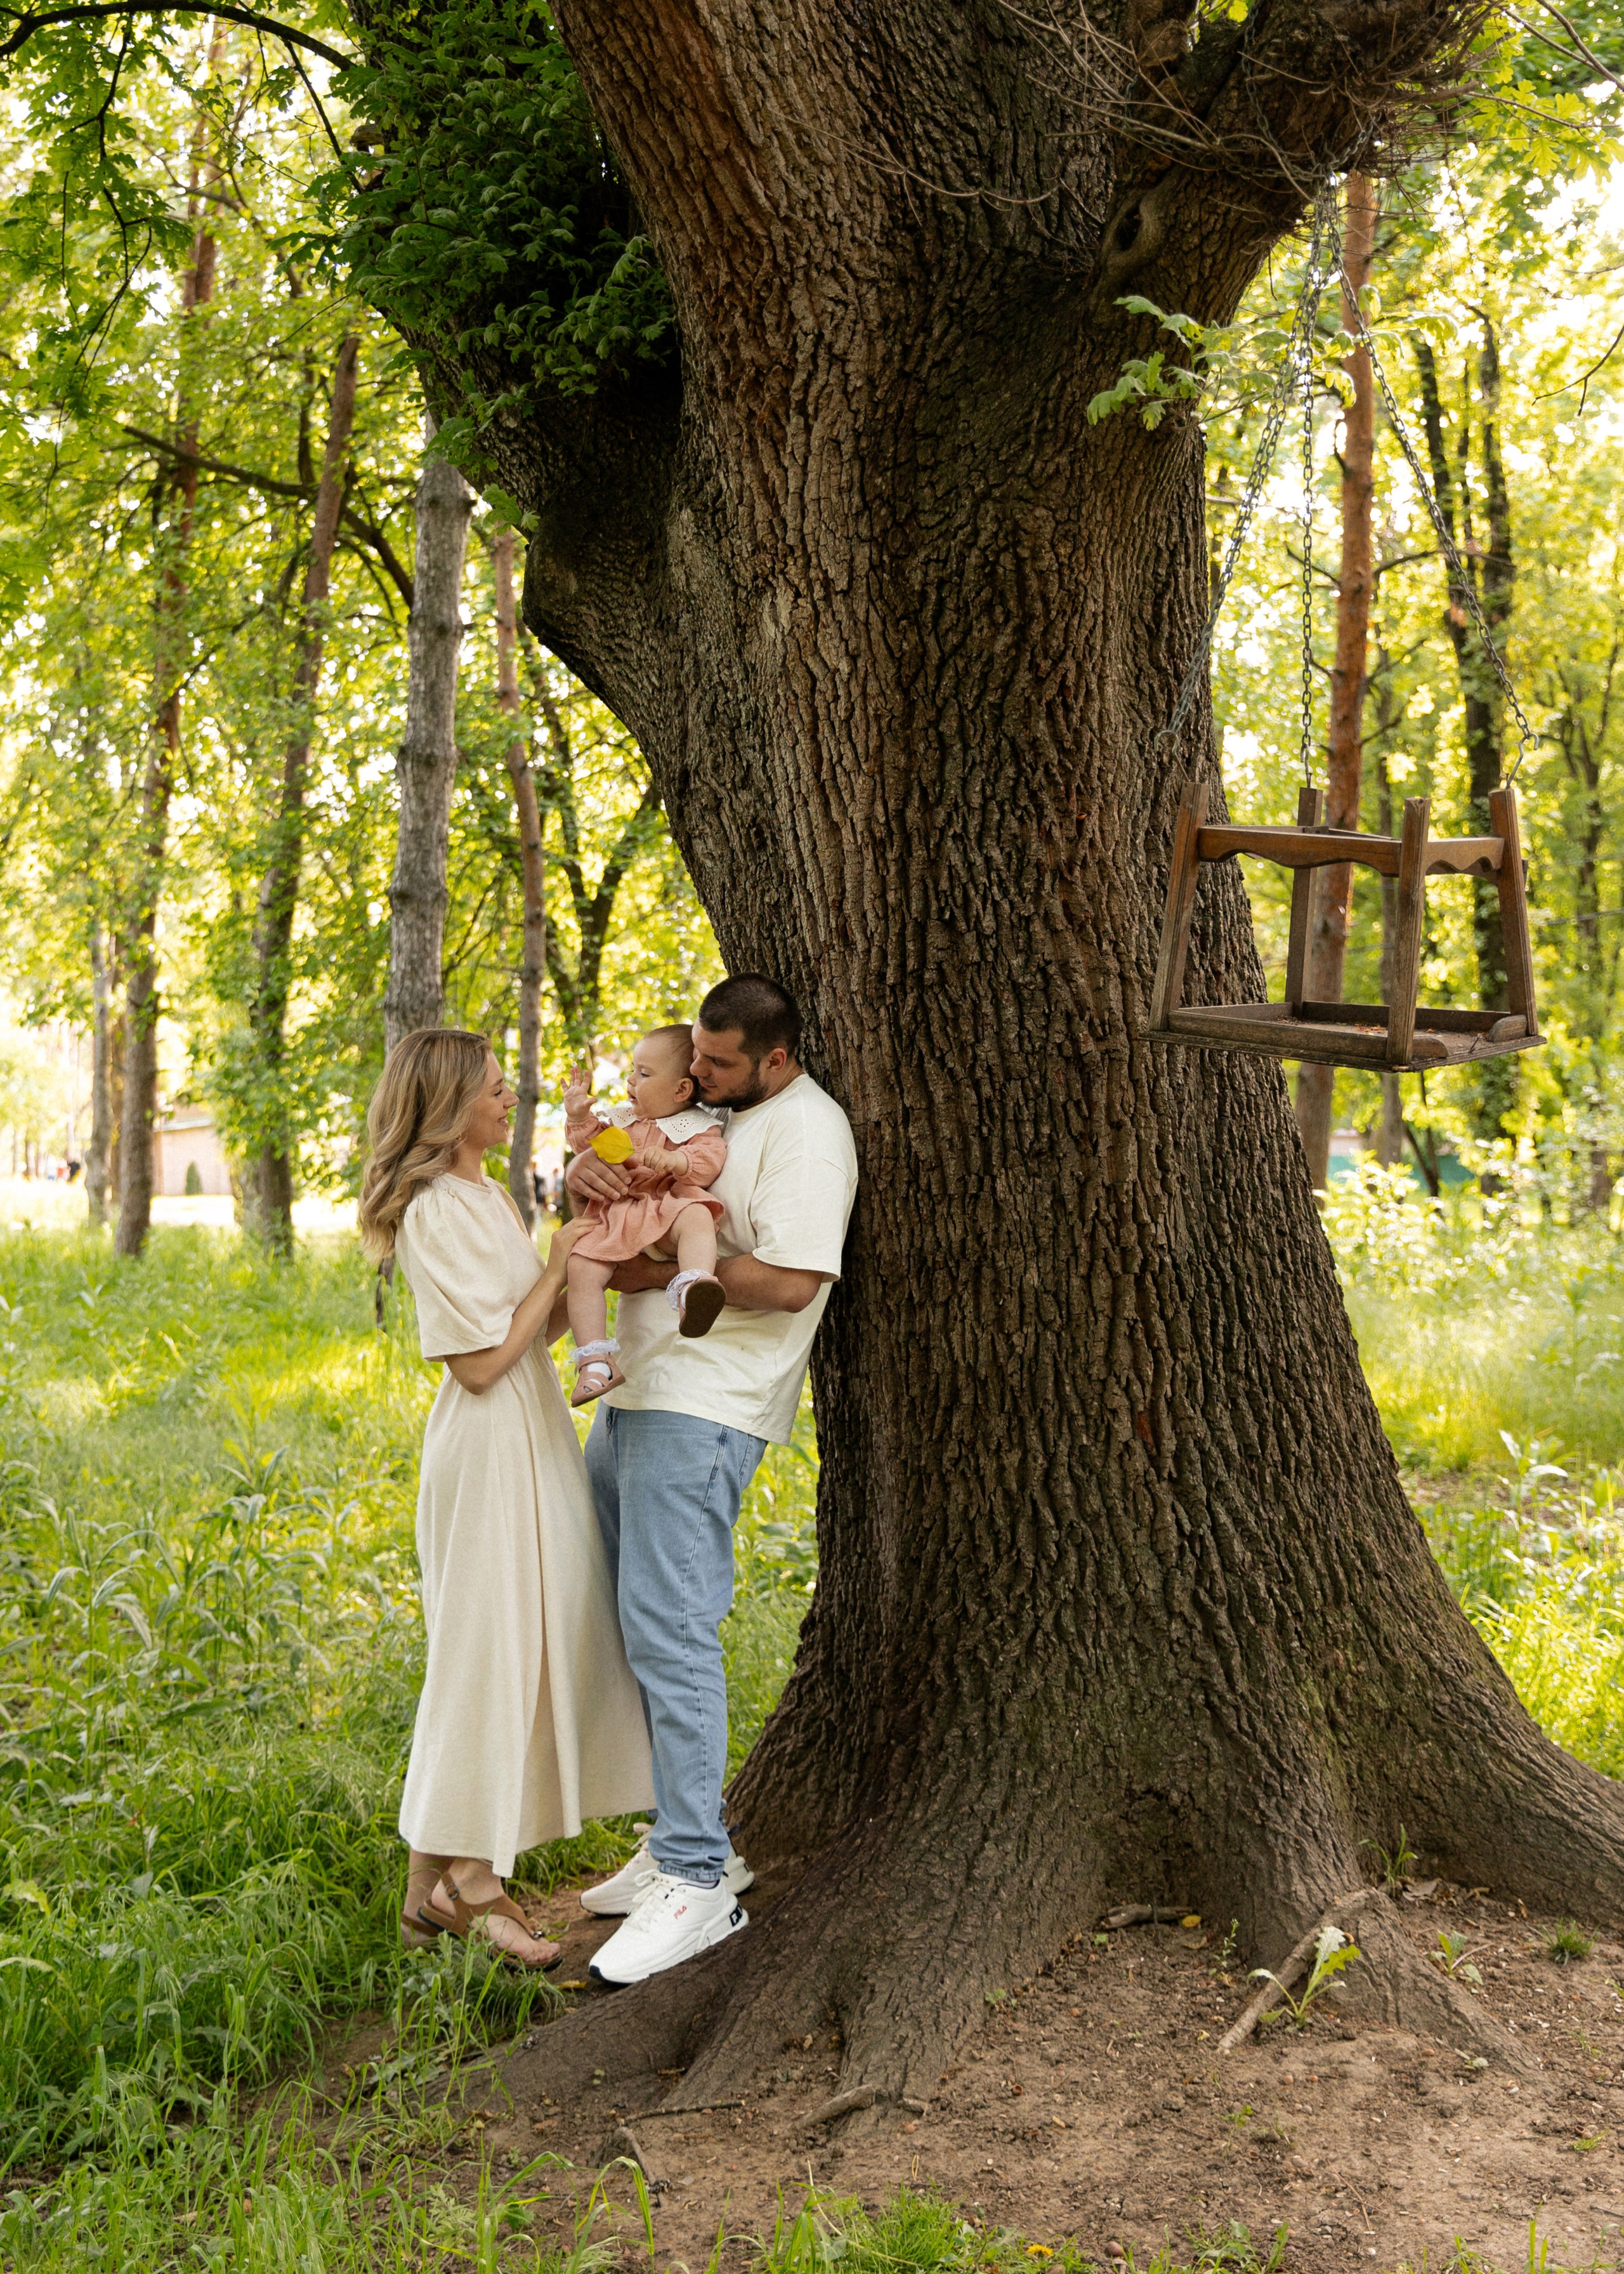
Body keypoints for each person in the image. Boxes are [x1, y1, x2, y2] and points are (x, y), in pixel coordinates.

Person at [566, 975, 857, 1986]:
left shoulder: (808, 1134)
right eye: (696, 1055)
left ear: (777, 1058)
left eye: (722, 1063)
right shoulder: (710, 1111)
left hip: (707, 1407)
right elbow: (633, 1169)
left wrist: (671, 1270)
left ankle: (699, 1881)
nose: (700, 1073)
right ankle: (681, 1836)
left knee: (672, 1627)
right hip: (640, 1395)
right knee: (630, 1623)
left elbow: (790, 1282)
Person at [358, 1028, 653, 1969]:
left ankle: (420, 1901)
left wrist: (579, 1259)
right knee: (486, 1654)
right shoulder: (434, 1210)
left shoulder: (487, 1195)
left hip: (533, 1438)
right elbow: (483, 1363)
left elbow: (529, 1337)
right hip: (485, 1447)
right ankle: (472, 1886)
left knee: (510, 1645)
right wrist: (561, 1264)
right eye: (491, 1088)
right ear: (447, 1106)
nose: (508, 1097)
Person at [561, 1023, 729, 1404]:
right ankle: (596, 1362)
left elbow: (709, 1161)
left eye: (644, 1074)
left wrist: (677, 1160)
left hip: (664, 1208)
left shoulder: (697, 1127)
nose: (631, 1080)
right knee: (581, 1268)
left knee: (697, 1215)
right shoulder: (620, 1119)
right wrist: (577, 1116)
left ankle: (693, 1287)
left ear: (681, 1089)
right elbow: (587, 1144)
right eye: (633, 1070)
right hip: (619, 1212)